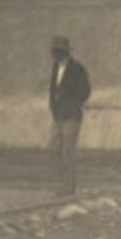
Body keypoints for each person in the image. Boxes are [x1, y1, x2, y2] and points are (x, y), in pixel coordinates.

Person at [48, 35, 91, 196]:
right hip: (58, 115)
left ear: (65, 53)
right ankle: (62, 184)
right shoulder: (55, 68)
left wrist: (73, 106)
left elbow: (85, 91)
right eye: (54, 52)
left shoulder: (77, 69)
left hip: (71, 116)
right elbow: (53, 90)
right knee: (53, 149)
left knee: (67, 151)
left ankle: (68, 187)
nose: (55, 55)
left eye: (58, 52)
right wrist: (53, 107)